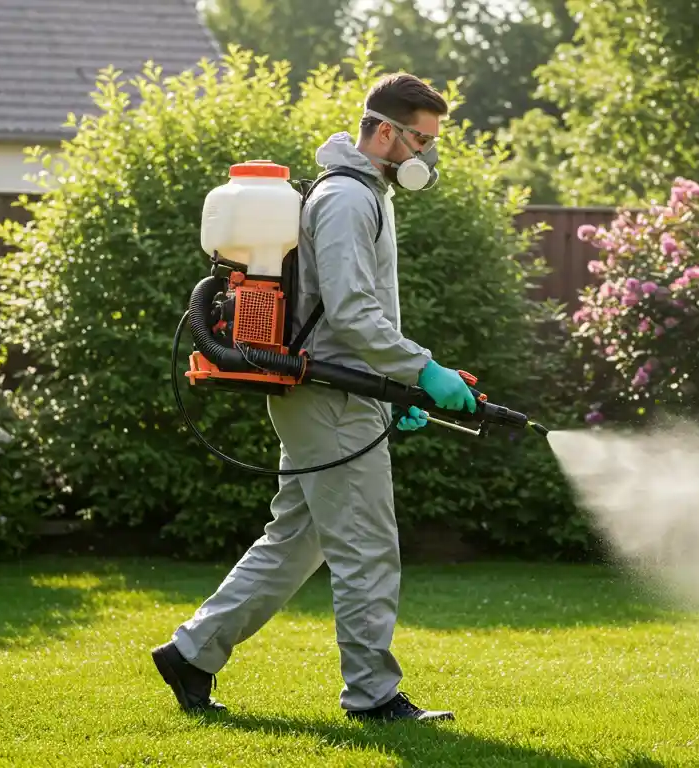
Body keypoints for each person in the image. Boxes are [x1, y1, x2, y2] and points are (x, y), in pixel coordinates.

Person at [151, 73, 475, 722]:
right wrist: (425, 370)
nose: (424, 158)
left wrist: (397, 392)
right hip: (330, 398)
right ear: (383, 131)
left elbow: (345, 315)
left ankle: (191, 652)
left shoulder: (357, 193)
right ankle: (374, 696)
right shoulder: (350, 199)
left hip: (335, 395)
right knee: (366, 547)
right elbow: (354, 316)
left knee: (297, 541)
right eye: (419, 141)